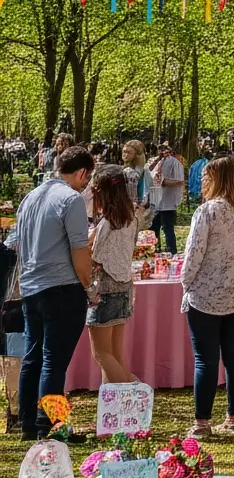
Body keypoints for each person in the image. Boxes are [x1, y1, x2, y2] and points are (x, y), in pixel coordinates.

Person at [14, 144, 93, 436]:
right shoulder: (71, 200)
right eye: (87, 179)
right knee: (54, 362)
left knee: (33, 357)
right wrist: (90, 285)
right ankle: (53, 425)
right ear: (82, 173)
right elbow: (79, 250)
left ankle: (27, 423)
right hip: (61, 288)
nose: (86, 186)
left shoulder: (30, 197)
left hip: (31, 287)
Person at [179, 152, 234, 437]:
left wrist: (185, 284)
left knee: (206, 359)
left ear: (217, 180)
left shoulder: (208, 211)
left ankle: (202, 422)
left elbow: (193, 255)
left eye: (206, 179)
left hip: (206, 293)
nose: (202, 184)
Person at [85, 163, 138, 383]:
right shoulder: (130, 219)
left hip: (105, 292)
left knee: (101, 354)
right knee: (115, 354)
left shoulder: (108, 224)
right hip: (124, 288)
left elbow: (96, 257)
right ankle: (115, 410)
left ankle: (131, 392)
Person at [145, 137, 185, 252]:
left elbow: (178, 181)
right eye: (160, 148)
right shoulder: (153, 161)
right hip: (155, 201)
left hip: (168, 202)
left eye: (165, 149)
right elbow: (149, 174)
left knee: (167, 229)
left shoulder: (175, 163)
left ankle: (171, 253)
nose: (162, 151)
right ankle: (153, 251)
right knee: (153, 229)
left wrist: (164, 181)